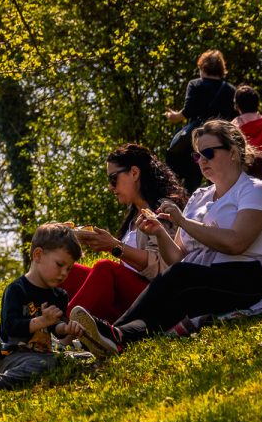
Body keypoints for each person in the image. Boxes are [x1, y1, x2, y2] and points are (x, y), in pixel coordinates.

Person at [106, 121, 262, 343]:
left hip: (258, 276)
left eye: (208, 153)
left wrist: (183, 222)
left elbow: (236, 243)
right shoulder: (200, 197)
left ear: (233, 152)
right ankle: (117, 334)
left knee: (183, 278)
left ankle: (114, 333)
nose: (202, 161)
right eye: (197, 156)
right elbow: (176, 258)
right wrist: (159, 232)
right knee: (179, 296)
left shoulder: (255, 191)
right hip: (211, 277)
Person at [62, 144, 186, 351]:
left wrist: (114, 247)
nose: (111, 187)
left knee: (105, 269)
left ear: (134, 173)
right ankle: (44, 329)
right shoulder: (134, 215)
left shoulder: (163, 209)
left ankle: (63, 339)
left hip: (152, 298)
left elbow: (162, 268)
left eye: (113, 179)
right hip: (127, 297)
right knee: (67, 270)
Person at [0, 224, 80, 394]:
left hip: (44, 355)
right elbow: (11, 327)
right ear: (38, 255)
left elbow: (56, 328)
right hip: (12, 356)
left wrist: (67, 329)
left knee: (75, 359)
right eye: (60, 264)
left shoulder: (59, 295)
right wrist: (42, 321)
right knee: (41, 364)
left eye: (68, 268)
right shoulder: (17, 290)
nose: (64, 273)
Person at [164, 50, 238, 192]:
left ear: (203, 67)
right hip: (221, 140)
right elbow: (234, 118)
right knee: (220, 181)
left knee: (191, 181)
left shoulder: (195, 84)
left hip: (198, 139)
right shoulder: (230, 90)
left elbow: (188, 111)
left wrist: (174, 116)